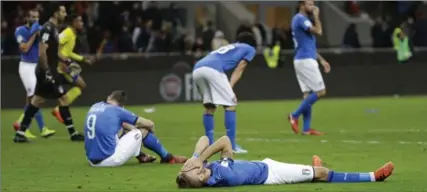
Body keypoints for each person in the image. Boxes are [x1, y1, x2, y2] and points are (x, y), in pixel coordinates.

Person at [176, 135, 394, 188]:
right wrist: (200, 161)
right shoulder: (221, 177)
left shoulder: (212, 169)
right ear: (198, 184)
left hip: (264, 163)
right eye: (196, 177)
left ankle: (314, 168)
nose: (198, 173)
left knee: (316, 171)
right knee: (324, 174)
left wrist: (195, 158)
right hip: (272, 175)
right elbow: (223, 140)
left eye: (196, 171)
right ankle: (374, 176)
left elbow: (206, 139)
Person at [13, 3, 85, 143]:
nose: (65, 14)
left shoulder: (54, 29)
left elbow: (55, 52)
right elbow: (42, 51)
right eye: (62, 12)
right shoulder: (47, 28)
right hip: (47, 71)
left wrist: (68, 62)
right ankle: (73, 133)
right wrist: (47, 72)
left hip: (47, 70)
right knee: (63, 98)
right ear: (55, 13)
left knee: (36, 101)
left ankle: (20, 133)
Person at [84, 90, 188, 167]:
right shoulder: (118, 110)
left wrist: (131, 128)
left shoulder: (95, 106)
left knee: (121, 132)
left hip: (91, 161)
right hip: (108, 160)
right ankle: (168, 158)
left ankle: (142, 156)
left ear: (109, 97)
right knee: (141, 132)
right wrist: (147, 132)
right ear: (121, 105)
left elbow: (123, 125)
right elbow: (149, 124)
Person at [192, 32, 256, 153]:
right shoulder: (249, 48)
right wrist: (230, 87)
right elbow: (240, 68)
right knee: (230, 104)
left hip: (198, 68)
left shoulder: (231, 46)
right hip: (213, 70)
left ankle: (209, 143)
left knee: (210, 106)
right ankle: (231, 146)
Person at [288, 1, 331, 135]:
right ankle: (294, 116)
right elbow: (318, 31)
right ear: (302, 5)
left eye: (313, 5)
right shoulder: (301, 19)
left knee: (307, 95)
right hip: (305, 60)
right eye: (310, 4)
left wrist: (322, 60)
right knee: (320, 91)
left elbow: (307, 44)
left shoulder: (301, 20)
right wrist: (317, 16)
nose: (313, 7)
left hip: (303, 58)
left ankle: (306, 129)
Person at [13, 9, 56, 139]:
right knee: (34, 97)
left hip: (36, 67)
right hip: (26, 67)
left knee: (32, 98)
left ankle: (20, 124)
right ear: (27, 18)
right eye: (32, 17)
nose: (35, 19)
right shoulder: (20, 30)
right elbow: (24, 48)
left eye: (37, 17)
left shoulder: (41, 29)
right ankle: (42, 128)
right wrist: (34, 35)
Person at [51, 13, 95, 123]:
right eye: (80, 21)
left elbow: (69, 52)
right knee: (81, 85)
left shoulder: (73, 34)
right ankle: (58, 109)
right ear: (74, 23)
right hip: (62, 66)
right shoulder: (67, 33)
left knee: (81, 86)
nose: (82, 23)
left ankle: (58, 108)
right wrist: (62, 61)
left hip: (66, 64)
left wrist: (83, 59)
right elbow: (54, 45)